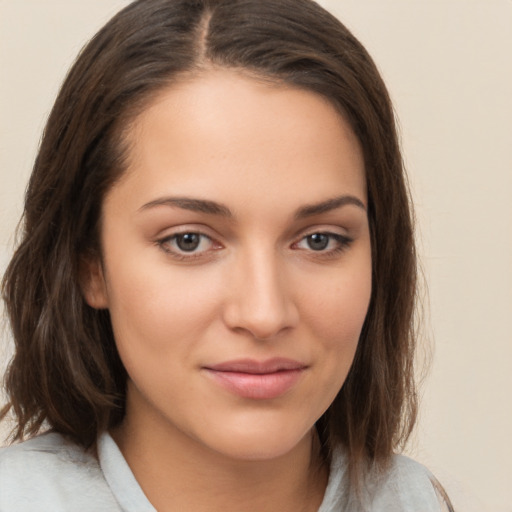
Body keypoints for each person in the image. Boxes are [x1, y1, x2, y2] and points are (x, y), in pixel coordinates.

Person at [0, 0, 454, 510]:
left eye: (319, 239)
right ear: (91, 263)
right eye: (188, 240)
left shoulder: (414, 499)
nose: (264, 314)